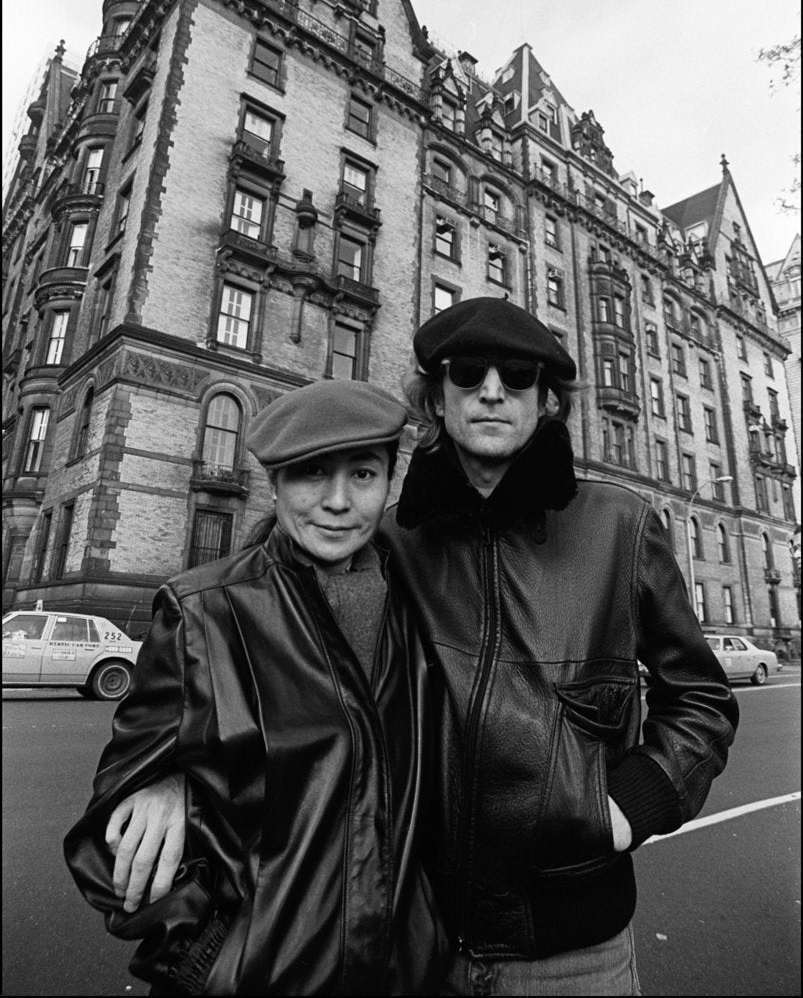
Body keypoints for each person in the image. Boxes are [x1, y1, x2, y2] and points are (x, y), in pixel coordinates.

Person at [94, 297, 740, 996]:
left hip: (572, 950)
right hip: (419, 947)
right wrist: (172, 773)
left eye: (518, 375)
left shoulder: (622, 525)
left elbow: (700, 699)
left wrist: (625, 808)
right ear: (435, 397)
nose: (491, 390)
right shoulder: (389, 538)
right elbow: (266, 640)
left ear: (548, 399)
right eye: (467, 373)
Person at [64, 380, 448, 997]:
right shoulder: (201, 613)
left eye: (365, 474)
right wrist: (211, 957)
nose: (339, 501)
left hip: (405, 975)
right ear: (275, 484)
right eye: (312, 473)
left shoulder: (423, 609)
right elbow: (108, 840)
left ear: (388, 484)